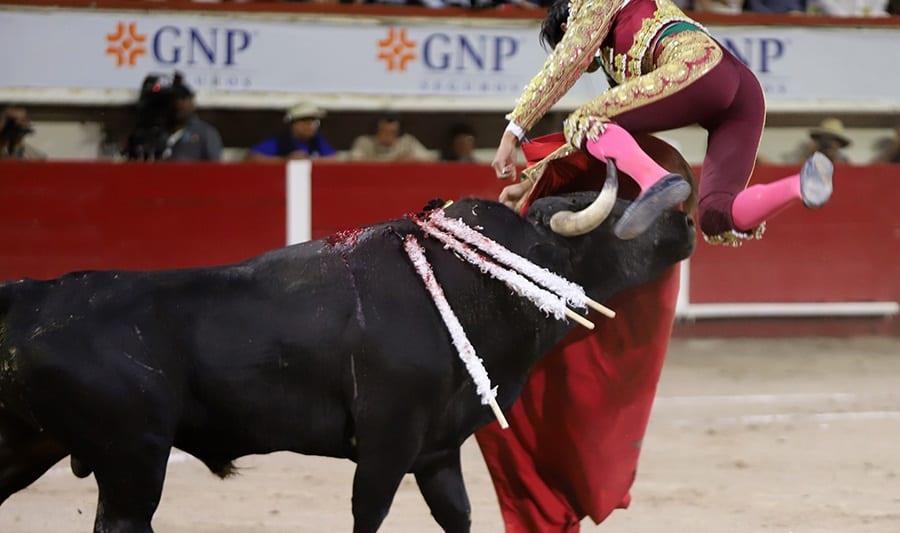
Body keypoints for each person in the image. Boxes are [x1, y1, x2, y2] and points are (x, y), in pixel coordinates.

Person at [492, 0, 834, 247]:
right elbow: (608, 136)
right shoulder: (619, 65)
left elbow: (564, 67)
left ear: (567, 27)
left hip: (698, 68)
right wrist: (530, 183)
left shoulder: (590, 4)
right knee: (717, 217)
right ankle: (799, 186)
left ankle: (656, 180)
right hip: (740, 89)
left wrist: (513, 132)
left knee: (583, 118)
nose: (587, 65)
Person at [247, 103, 336, 161]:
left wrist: (310, 160)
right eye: (306, 121)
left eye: (314, 122)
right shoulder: (281, 141)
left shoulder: (317, 140)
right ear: (293, 124)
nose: (311, 126)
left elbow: (333, 158)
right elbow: (252, 157)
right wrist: (286, 160)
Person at [162, 83, 223, 162]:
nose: (178, 103)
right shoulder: (156, 132)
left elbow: (214, 167)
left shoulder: (205, 133)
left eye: (183, 99)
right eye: (173, 99)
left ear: (192, 102)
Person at [349, 115, 434, 162]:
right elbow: (354, 160)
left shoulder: (408, 142)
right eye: (384, 131)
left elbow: (430, 160)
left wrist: (412, 160)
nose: (388, 135)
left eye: (392, 132)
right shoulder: (364, 142)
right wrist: (392, 162)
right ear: (376, 130)